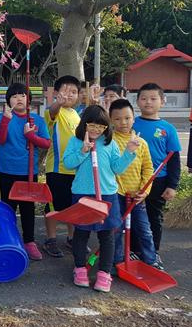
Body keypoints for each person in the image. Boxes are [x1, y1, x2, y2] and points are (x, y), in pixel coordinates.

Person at [63, 105, 139, 293]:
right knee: (81, 233)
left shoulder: (109, 143)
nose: (96, 130)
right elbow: (68, 163)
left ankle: (104, 273)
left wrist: (129, 152)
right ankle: (80, 268)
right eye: (92, 125)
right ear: (84, 124)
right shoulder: (75, 141)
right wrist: (83, 150)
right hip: (83, 195)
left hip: (107, 195)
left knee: (108, 235)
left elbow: (118, 168)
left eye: (101, 126)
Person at [0, 83, 50, 261]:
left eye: (23, 95)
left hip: (28, 171)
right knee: (8, 208)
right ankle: (9, 239)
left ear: (29, 99)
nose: (19, 99)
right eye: (15, 96)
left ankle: (29, 241)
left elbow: (46, 143)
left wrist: (31, 136)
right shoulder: (4, 117)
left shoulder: (36, 120)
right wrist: (5, 120)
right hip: (7, 170)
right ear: (8, 100)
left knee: (28, 208)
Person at [131, 83, 182, 265]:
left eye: (153, 99)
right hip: (133, 178)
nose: (148, 102)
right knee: (134, 216)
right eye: (144, 98)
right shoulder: (130, 123)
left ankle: (153, 251)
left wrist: (172, 186)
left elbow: (174, 160)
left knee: (154, 217)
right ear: (137, 101)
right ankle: (135, 250)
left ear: (162, 102)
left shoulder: (168, 129)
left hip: (158, 180)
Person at [109, 99, 162, 270]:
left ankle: (151, 260)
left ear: (134, 119)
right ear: (111, 120)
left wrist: (145, 191)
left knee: (144, 230)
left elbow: (148, 169)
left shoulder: (142, 143)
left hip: (137, 196)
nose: (123, 122)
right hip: (116, 194)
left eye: (127, 118)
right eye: (117, 119)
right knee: (116, 230)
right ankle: (116, 262)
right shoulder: (109, 141)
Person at [43, 75, 81, 257]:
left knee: (73, 207)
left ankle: (72, 239)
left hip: (77, 170)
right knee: (54, 207)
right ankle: (50, 239)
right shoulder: (52, 111)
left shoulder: (77, 115)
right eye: (66, 92)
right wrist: (58, 102)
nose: (70, 96)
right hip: (57, 169)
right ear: (57, 93)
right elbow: (53, 110)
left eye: (74, 92)